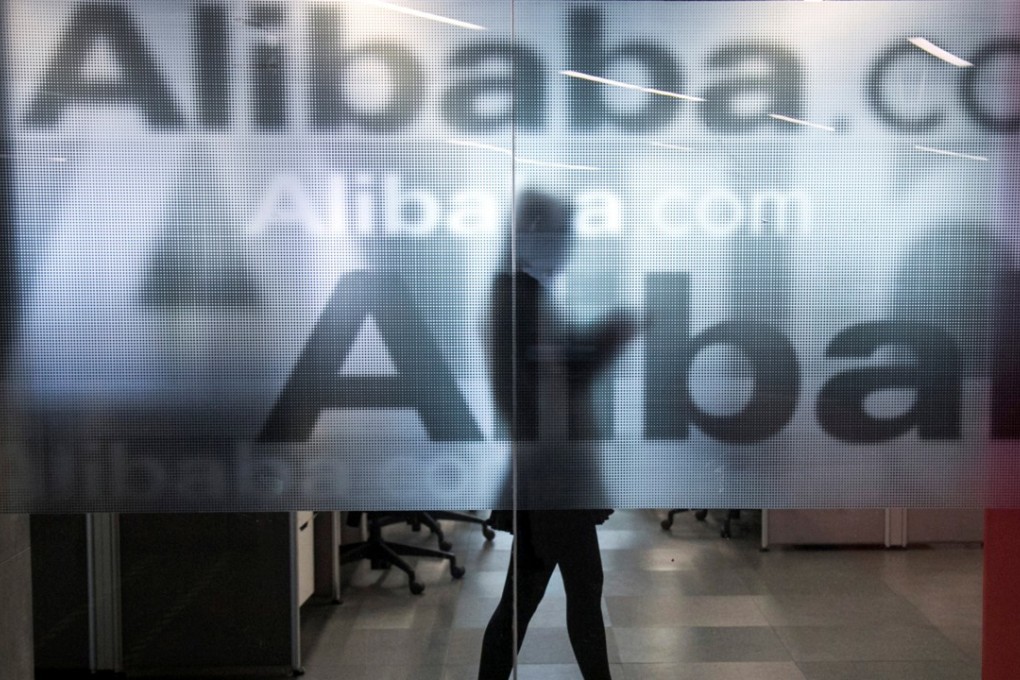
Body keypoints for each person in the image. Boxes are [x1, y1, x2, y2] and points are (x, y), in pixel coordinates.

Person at [479, 191, 637, 680]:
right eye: (561, 236)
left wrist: (605, 340)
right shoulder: (517, 299)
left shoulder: (524, 293)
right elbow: (548, 385)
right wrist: (607, 343)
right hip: (549, 474)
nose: (567, 248)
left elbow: (560, 372)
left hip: (552, 471)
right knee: (568, 590)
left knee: (535, 595)